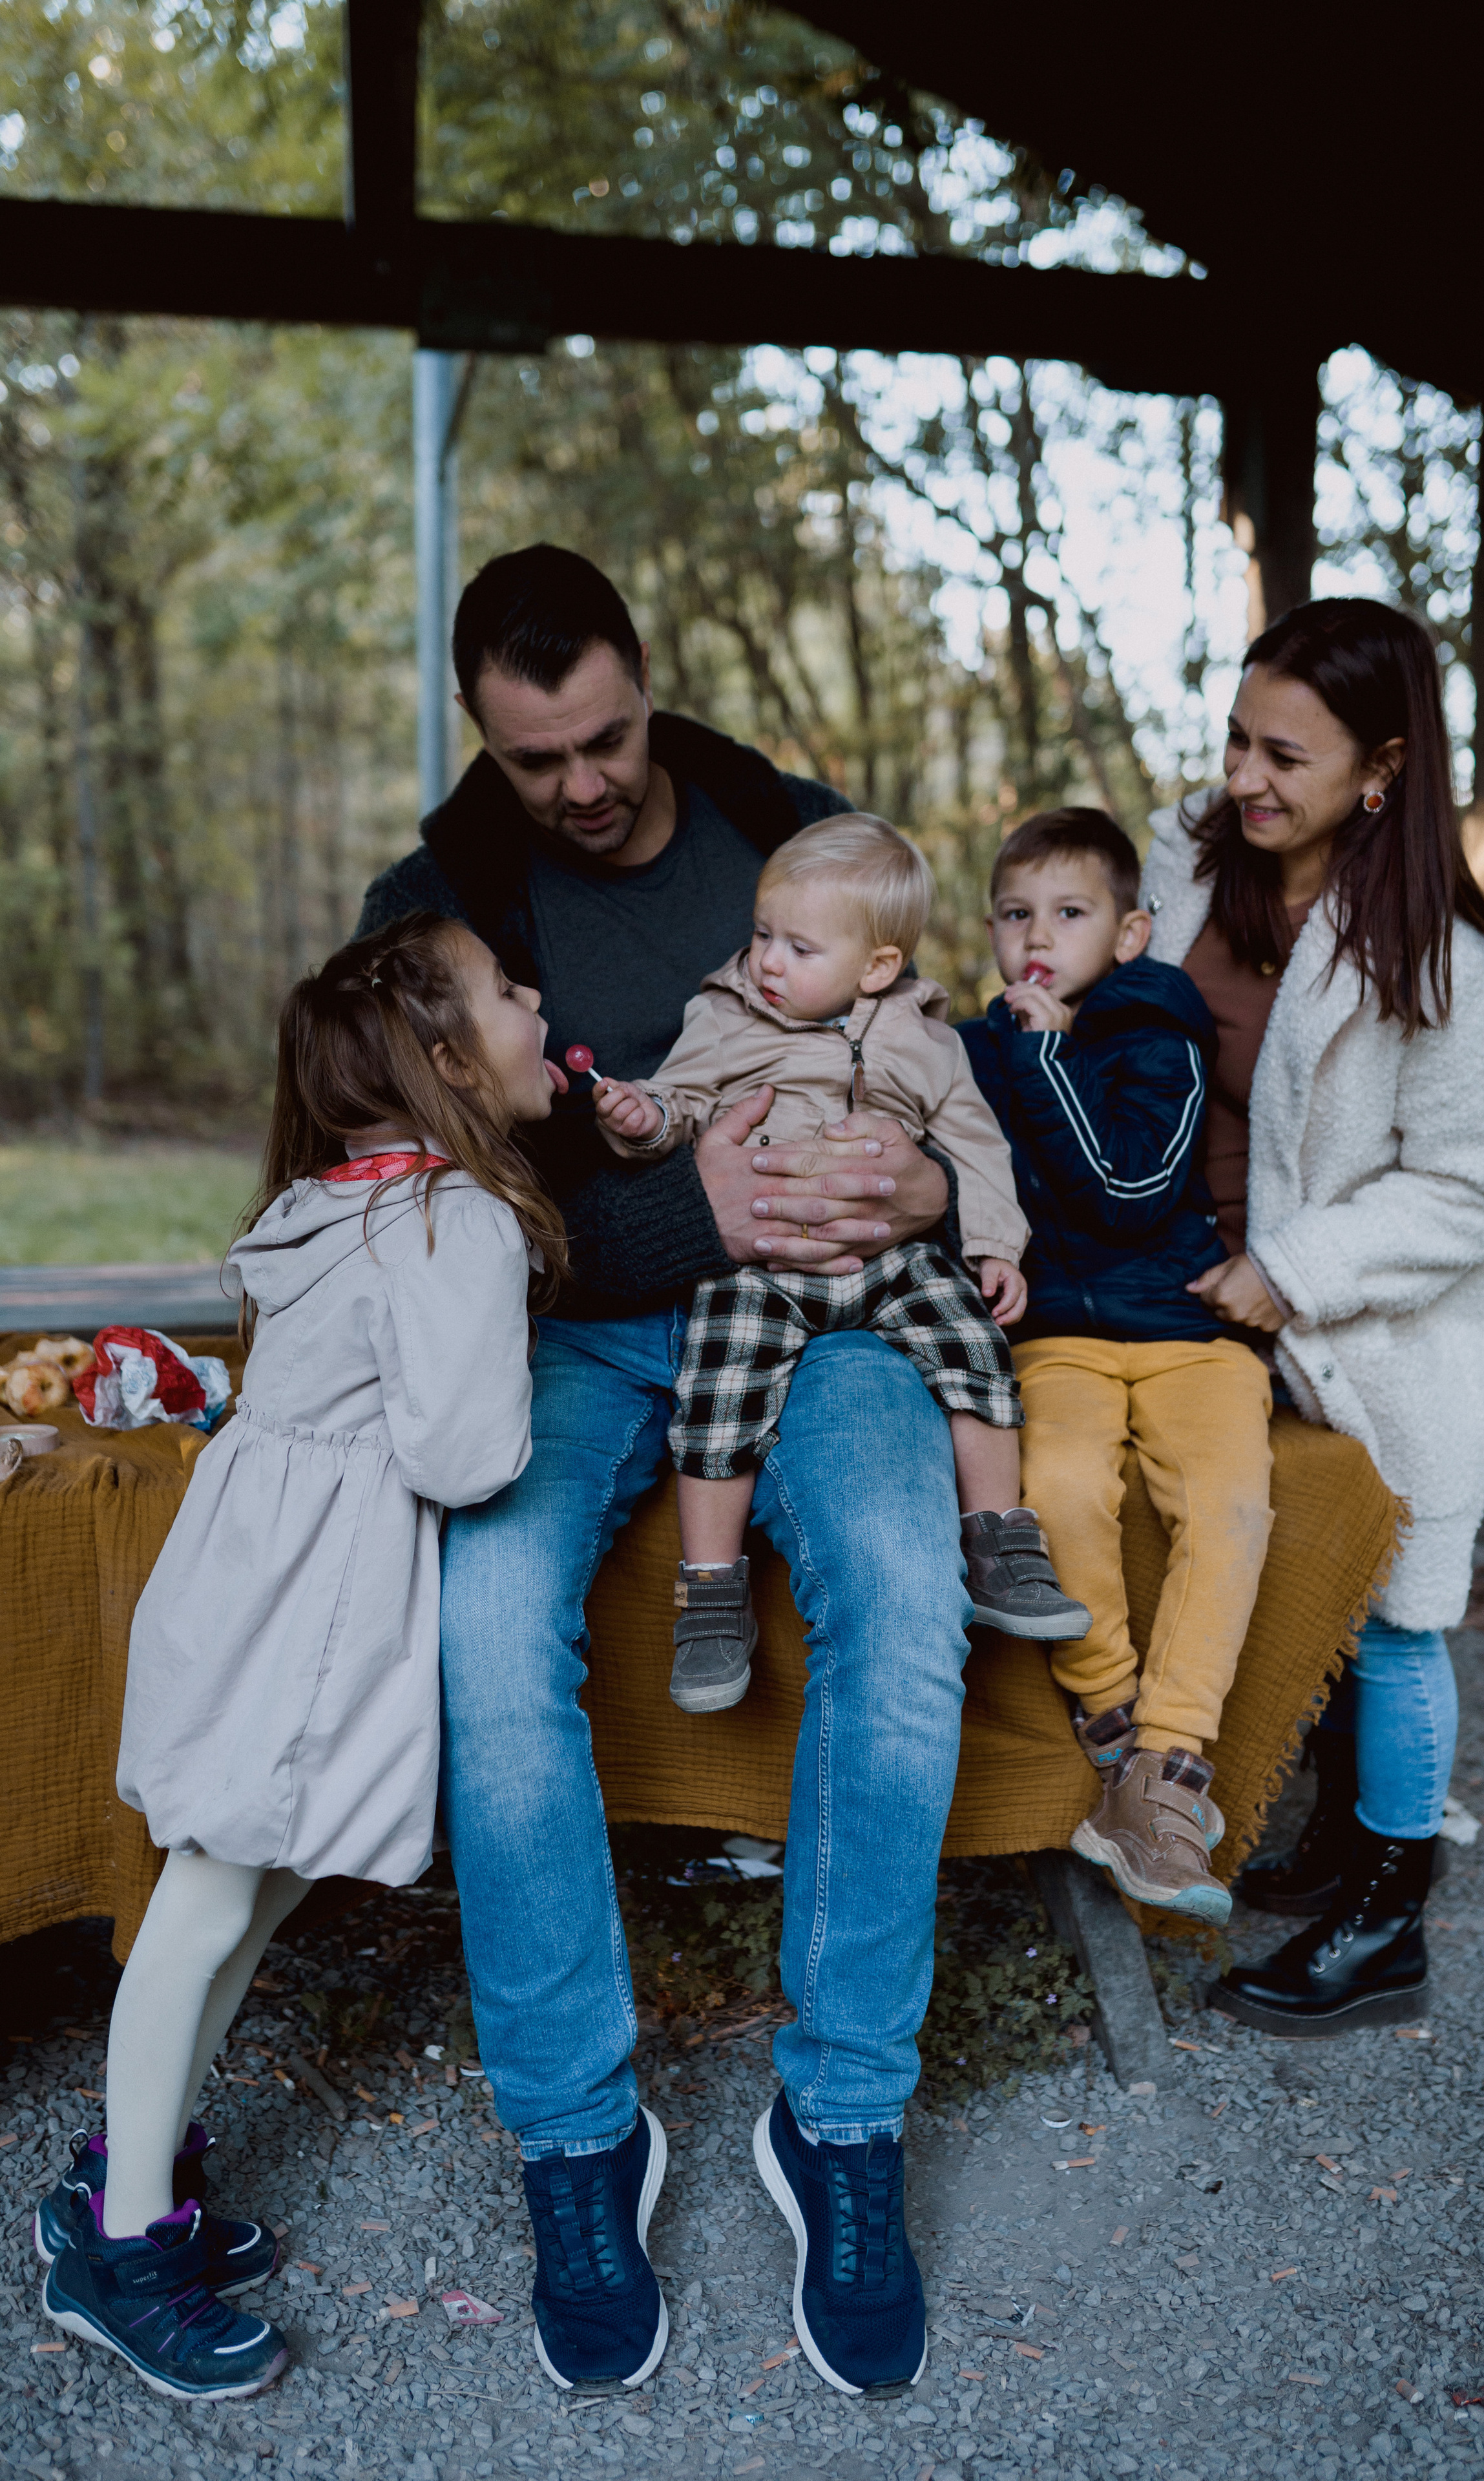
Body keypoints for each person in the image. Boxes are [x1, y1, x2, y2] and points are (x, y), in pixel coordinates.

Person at [355, 547, 968, 2396]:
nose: (584, 786)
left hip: (835, 1319)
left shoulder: (802, 836)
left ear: (647, 681)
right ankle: (577, 2135)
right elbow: (427, 1213)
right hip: (568, 1335)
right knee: (484, 1615)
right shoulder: (439, 905)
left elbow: (949, 1077)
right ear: (485, 733)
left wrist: (931, 1189)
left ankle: (842, 2117)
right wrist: (667, 1216)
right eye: (538, 760)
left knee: (906, 1584)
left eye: (606, 738)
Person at [36, 912, 569, 2396]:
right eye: (511, 993)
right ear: (450, 1057)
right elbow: (465, 1456)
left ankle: (131, 2173)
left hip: (262, 1588)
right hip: (306, 1615)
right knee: (212, 1899)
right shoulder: (450, 1220)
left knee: (249, 1894)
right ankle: (117, 2242)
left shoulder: (335, 1199)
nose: (540, 1006)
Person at [1134, 597, 1484, 2035]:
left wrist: (1294, 1268)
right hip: (1190, 1300)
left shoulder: (1442, 969)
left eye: (1282, 758)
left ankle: (1389, 1918)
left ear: (1378, 771)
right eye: (1236, 739)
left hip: (1376, 1333)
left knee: (1396, 1623)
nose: (1243, 777)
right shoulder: (1183, 871)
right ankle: (1337, 1837)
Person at [591, 811, 1089, 1710]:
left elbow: (976, 1147)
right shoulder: (725, 1016)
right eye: (762, 936)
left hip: (890, 1257)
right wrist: (645, 1121)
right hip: (766, 1259)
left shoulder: (928, 1044)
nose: (769, 962)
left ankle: (1000, 1541)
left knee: (974, 1349)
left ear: (878, 968)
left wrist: (994, 1246)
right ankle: (709, 1593)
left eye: (798, 948)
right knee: (717, 1386)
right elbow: (680, 1100)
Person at [959, 808, 1273, 1925]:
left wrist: (1044, 1056)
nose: (1037, 934)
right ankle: (1114, 1727)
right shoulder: (985, 1044)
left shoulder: (1160, 1026)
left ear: (1131, 932)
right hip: (1056, 1333)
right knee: (1058, 1492)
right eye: (1014, 914)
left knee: (1231, 1504)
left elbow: (1132, 1192)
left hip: (1187, 1326)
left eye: (1070, 912)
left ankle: (1171, 1761)